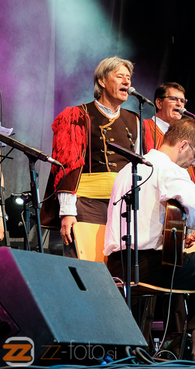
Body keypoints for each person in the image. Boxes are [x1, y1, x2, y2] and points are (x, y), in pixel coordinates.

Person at [104, 118, 195, 365]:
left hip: (118, 264)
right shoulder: (168, 169)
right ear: (183, 145)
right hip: (147, 266)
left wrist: (171, 239)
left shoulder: (128, 169)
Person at [40, 56, 140, 256]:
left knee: (117, 267)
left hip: (123, 207)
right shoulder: (76, 115)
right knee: (88, 264)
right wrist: (67, 212)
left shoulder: (135, 120)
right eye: (120, 76)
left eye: (128, 77)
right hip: (87, 203)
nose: (127, 82)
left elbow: (139, 166)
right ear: (102, 81)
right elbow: (67, 166)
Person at [142, 82, 195, 193]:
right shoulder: (144, 127)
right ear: (159, 103)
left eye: (182, 101)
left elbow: (193, 176)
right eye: (174, 99)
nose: (179, 104)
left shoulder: (188, 137)